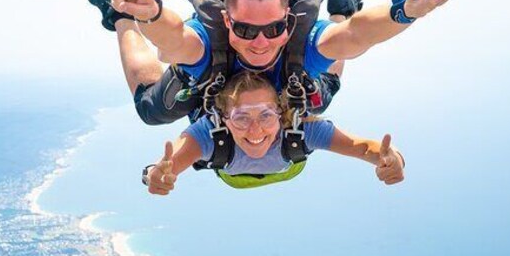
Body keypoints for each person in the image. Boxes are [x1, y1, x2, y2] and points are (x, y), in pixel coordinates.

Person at [89, 0, 462, 125]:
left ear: (290, 18)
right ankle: (119, 16)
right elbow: (173, 40)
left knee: (318, 94)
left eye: (273, 27)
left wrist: (406, 10)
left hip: (297, 59)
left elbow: (356, 35)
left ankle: (341, 7)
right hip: (203, 65)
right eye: (246, 29)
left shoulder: (301, 38)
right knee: (152, 109)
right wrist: (146, 14)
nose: (261, 42)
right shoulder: (208, 42)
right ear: (225, 20)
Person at [142, 72, 405, 193]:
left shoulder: (300, 128)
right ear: (222, 118)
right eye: (242, 118)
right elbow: (169, 165)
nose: (255, 130)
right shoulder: (209, 133)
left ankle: (342, 11)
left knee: (323, 90)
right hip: (268, 166)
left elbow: (364, 148)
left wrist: (391, 159)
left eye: (266, 116)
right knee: (148, 103)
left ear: (280, 113)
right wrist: (156, 175)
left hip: (244, 170)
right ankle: (121, 18)